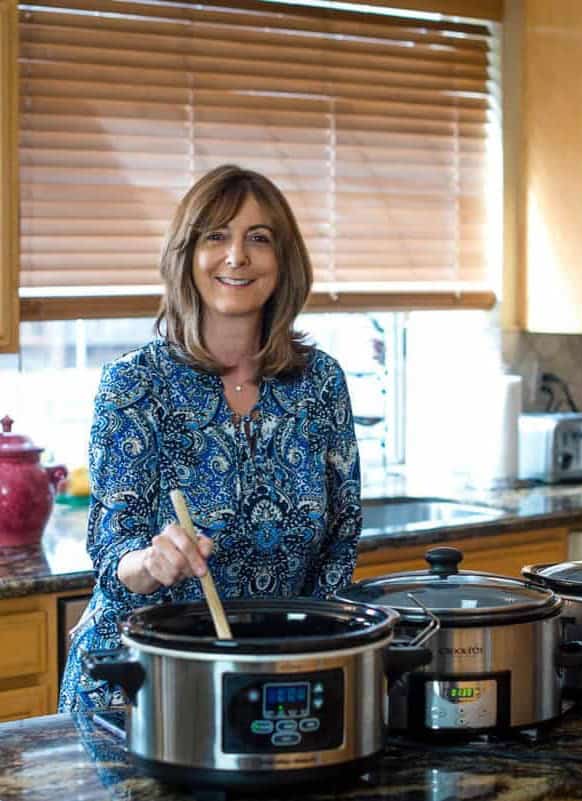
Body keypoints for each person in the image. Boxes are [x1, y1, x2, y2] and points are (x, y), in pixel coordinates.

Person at [58, 164, 362, 712]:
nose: (237, 256)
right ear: (186, 256)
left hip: (276, 680)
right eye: (216, 235)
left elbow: (341, 539)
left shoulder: (321, 382)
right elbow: (111, 548)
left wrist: (319, 659)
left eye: (259, 238)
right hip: (140, 686)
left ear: (283, 260)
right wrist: (151, 562)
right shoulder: (134, 384)